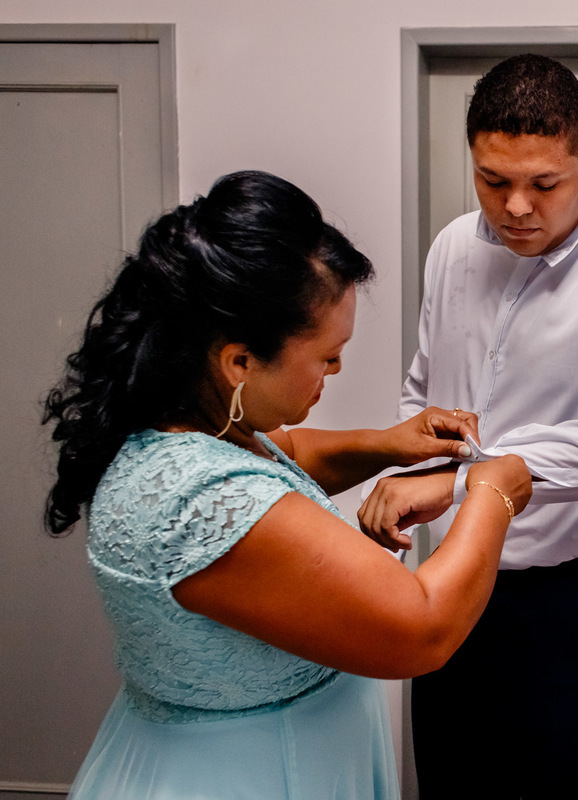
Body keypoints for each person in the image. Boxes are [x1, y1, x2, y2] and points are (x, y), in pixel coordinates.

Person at [42, 169, 531, 799]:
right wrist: (494, 489)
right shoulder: (206, 503)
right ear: (239, 361)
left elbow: (285, 455)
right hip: (246, 776)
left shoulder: (189, 419)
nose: (335, 369)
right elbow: (425, 628)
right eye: (326, 357)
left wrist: (388, 444)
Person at [360, 54, 578, 798]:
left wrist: (475, 480)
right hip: (449, 588)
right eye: (492, 181)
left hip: (574, 605)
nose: (515, 206)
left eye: (543, 183)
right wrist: (404, 476)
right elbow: (425, 388)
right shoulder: (452, 247)